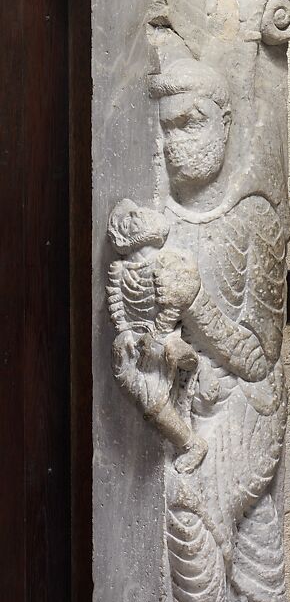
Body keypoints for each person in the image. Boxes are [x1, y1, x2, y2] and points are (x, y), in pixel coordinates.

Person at [107, 198, 208, 474]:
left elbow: (170, 305)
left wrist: (159, 336)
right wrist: (125, 332)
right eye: (128, 220)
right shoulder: (119, 269)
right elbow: (116, 302)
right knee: (122, 365)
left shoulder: (165, 263)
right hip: (134, 336)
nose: (133, 219)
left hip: (164, 336)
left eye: (137, 216)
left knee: (152, 401)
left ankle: (190, 443)